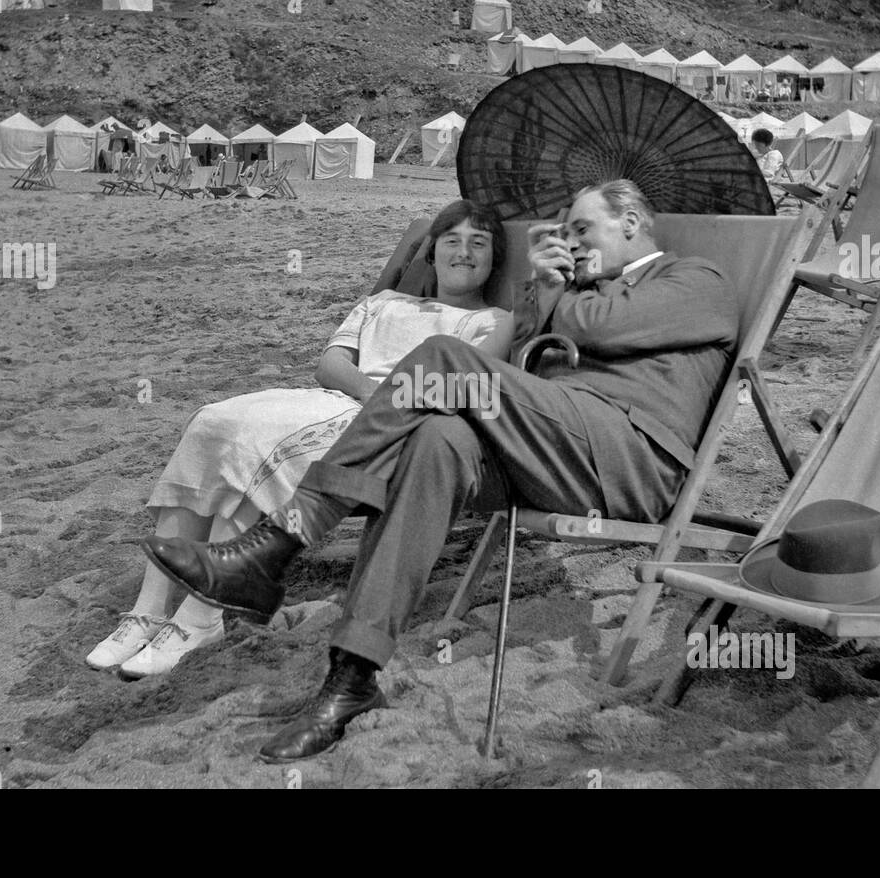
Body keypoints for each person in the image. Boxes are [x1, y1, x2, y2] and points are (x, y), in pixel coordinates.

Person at [143, 179, 734, 762]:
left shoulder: (696, 280)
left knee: (442, 357)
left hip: (629, 459)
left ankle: (277, 544)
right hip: (557, 450)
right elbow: (528, 361)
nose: (572, 242)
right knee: (436, 439)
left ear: (630, 223)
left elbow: (598, 327)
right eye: (565, 233)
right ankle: (351, 677)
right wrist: (543, 295)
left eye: (583, 229)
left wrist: (553, 286)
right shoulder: (583, 290)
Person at [87, 200, 514, 678]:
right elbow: (329, 364)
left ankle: (199, 618)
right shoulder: (383, 302)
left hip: (389, 426)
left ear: (494, 259)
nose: (464, 252)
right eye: (452, 241)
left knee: (255, 446)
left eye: (479, 243)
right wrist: (373, 390)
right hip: (341, 396)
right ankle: (148, 609)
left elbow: (464, 383)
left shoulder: (492, 321)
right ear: (431, 254)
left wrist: (384, 402)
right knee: (213, 422)